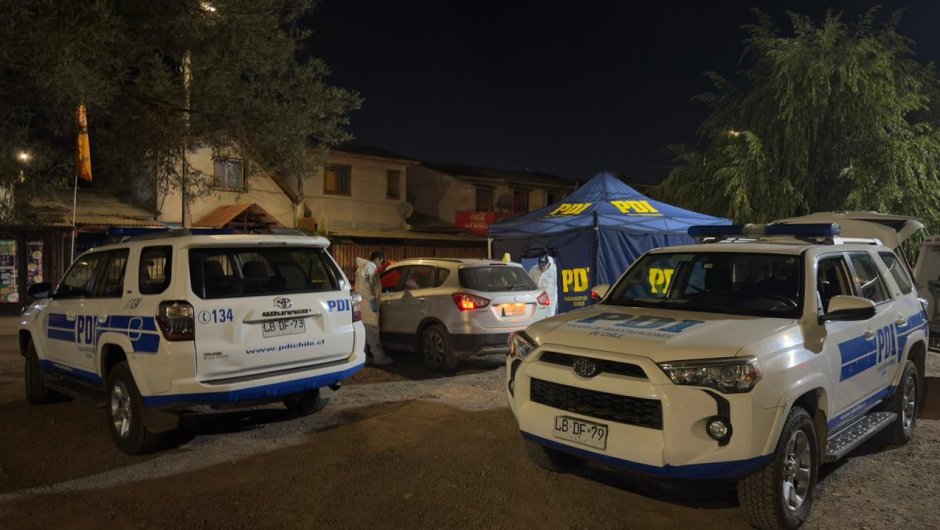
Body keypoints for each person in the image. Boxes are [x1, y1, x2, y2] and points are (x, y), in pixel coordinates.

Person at [355, 250, 393, 366]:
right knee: (372, 330)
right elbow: (365, 284)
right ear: (378, 259)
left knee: (365, 330)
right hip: (368, 303)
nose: (380, 265)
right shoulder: (370, 267)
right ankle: (379, 357)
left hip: (362, 302)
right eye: (381, 262)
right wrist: (372, 299)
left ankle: (364, 356)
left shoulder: (361, 268)